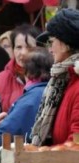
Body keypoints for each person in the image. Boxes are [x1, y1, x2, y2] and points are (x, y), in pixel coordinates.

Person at [0, 47, 53, 147]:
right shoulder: (48, 90)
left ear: (28, 71)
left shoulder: (32, 97)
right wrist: (10, 115)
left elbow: (7, 131)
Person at [31, 8, 79, 146]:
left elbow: (76, 143)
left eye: (51, 42)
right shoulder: (64, 80)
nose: (49, 49)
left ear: (65, 45)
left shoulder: (75, 84)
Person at [0, 24, 41, 132]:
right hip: (5, 144)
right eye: (18, 47)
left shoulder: (48, 78)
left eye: (29, 47)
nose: (23, 53)